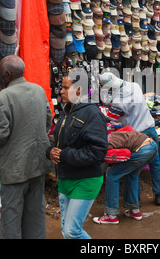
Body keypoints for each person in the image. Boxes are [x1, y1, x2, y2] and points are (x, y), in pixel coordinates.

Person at [0, 55, 53, 238]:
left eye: (1, 74)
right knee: (35, 215)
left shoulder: (3, 97)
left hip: (15, 168)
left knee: (11, 218)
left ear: (7, 74)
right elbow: (47, 123)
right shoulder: (39, 90)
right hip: (38, 163)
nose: (0, 77)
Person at [48, 75, 107, 239]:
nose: (61, 91)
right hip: (66, 178)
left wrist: (65, 155)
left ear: (79, 90)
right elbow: (61, 142)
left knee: (72, 231)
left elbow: (98, 151)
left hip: (86, 180)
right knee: (66, 232)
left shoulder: (92, 113)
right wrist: (50, 151)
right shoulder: (67, 111)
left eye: (66, 88)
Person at [99, 72, 160, 206]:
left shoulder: (118, 101)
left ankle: (135, 201)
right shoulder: (134, 86)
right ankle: (159, 194)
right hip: (150, 127)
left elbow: (110, 117)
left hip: (137, 135)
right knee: (155, 163)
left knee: (134, 170)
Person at [93, 127, 158, 224]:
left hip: (141, 149)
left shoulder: (105, 145)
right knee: (132, 175)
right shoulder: (110, 136)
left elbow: (125, 154)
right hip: (152, 145)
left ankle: (111, 215)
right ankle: (134, 210)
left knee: (112, 174)